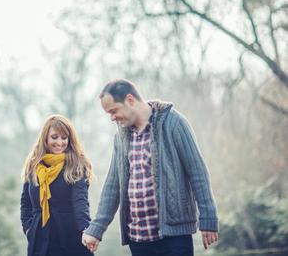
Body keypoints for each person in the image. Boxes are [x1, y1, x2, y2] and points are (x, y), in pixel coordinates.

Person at [82, 79, 219, 256]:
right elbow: (112, 186)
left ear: (130, 100)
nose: (112, 118)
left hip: (174, 238)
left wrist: (208, 218)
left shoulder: (173, 123)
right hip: (138, 240)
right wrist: (96, 229)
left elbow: (197, 172)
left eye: (113, 111)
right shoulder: (121, 138)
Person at [21, 114, 94, 256]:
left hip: (70, 238)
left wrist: (87, 231)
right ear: (45, 138)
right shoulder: (34, 166)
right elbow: (26, 203)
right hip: (40, 241)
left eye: (64, 137)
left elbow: (81, 203)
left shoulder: (76, 166)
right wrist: (29, 229)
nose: (60, 142)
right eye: (54, 137)